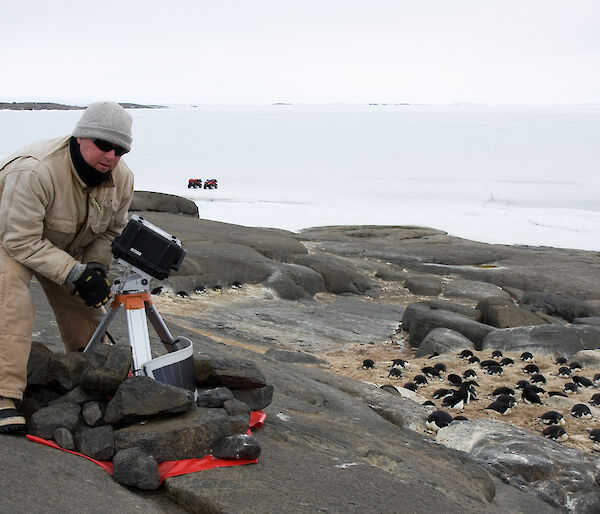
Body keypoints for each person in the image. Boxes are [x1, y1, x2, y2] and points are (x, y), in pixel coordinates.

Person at [0, 102, 135, 432]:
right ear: (81, 138)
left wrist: (94, 269)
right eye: (104, 145)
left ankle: (93, 380)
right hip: (8, 238)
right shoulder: (34, 171)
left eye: (120, 150)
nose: (111, 156)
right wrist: (74, 272)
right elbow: (20, 242)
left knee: (87, 305)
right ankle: (3, 394)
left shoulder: (122, 177)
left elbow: (112, 231)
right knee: (11, 299)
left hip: (62, 243)